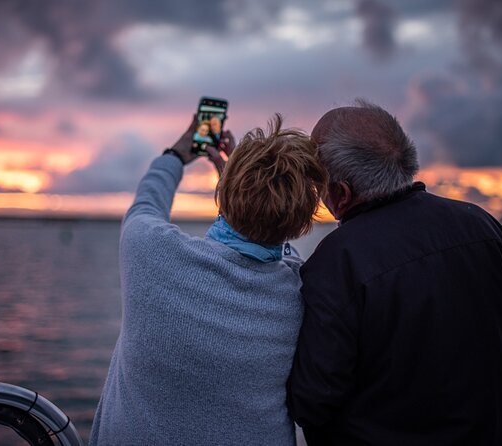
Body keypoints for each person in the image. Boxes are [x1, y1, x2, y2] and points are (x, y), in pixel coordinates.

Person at [287, 100, 502, 446]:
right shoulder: (482, 225)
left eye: (317, 181)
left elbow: (311, 402)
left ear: (341, 193)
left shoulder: (337, 261)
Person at [89, 114, 327, 445]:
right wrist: (238, 191)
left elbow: (148, 201)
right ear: (303, 220)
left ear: (222, 193)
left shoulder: (150, 250)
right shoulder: (302, 293)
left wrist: (177, 154)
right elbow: (278, 245)